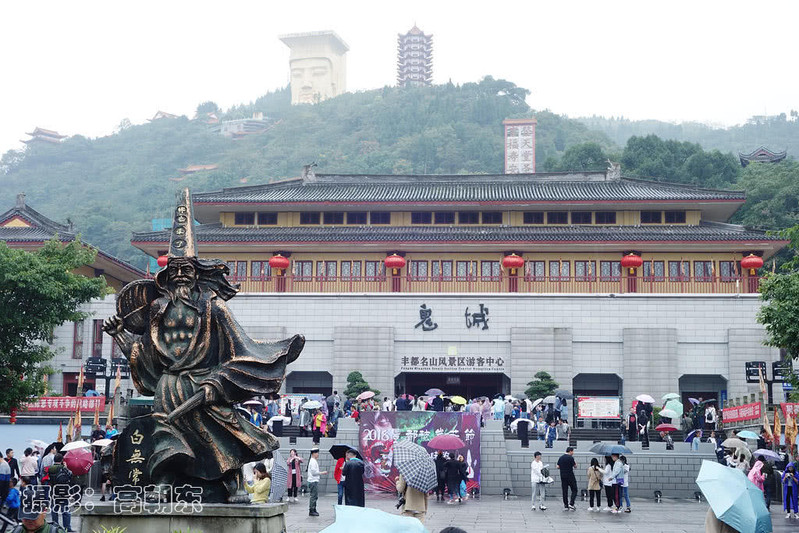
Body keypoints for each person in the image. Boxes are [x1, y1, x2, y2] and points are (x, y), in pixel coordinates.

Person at [47, 453, 73, 532]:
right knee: (65, 510)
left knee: (54, 510)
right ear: (61, 460)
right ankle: (67, 527)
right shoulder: (63, 468)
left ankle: (55, 526)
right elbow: (70, 474)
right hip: (63, 492)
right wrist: (65, 466)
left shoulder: (50, 468)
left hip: (54, 491)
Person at [307, 448, 328, 517]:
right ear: (314, 453)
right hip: (313, 480)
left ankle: (313, 509)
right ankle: (312, 510)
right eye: (317, 453)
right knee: (313, 496)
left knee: (314, 496)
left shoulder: (313, 461)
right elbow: (314, 472)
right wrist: (322, 473)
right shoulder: (313, 461)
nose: (318, 454)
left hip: (313, 480)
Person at [556, 447, 577, 511]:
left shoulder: (561, 457)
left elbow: (557, 466)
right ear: (570, 451)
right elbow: (575, 466)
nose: (573, 453)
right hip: (570, 476)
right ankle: (571, 503)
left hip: (563, 476)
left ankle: (566, 505)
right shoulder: (571, 458)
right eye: (572, 451)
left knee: (565, 490)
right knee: (574, 489)